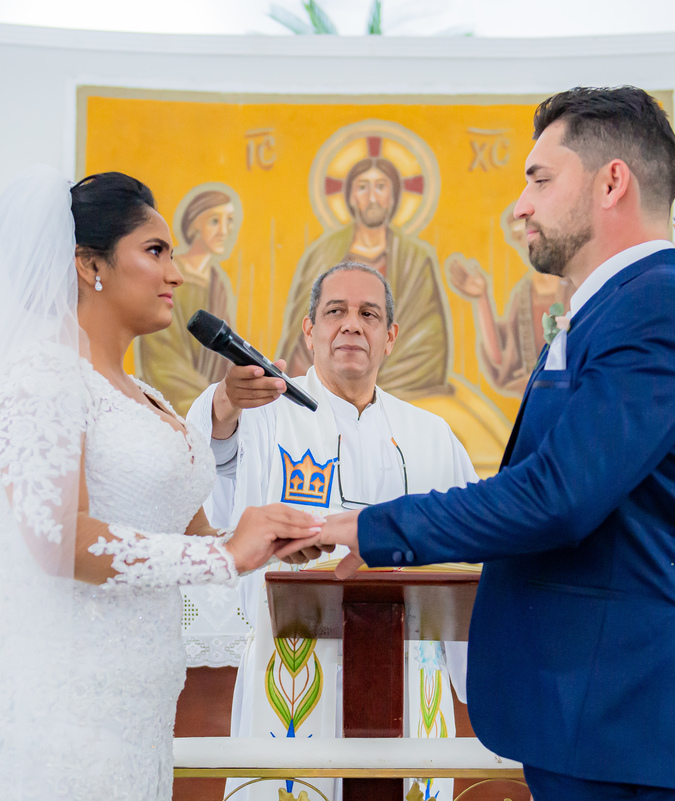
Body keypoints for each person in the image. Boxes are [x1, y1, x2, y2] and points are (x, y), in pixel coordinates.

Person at [313, 87, 675, 800]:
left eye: (540, 179)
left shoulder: (663, 310)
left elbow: (557, 494)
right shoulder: (608, 312)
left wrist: (377, 526)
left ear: (611, 183)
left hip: (627, 714)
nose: (521, 205)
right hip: (589, 710)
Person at [0, 167, 320, 801]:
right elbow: (57, 539)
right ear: (89, 264)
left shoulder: (142, 394)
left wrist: (268, 540)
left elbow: (183, 534)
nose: (176, 273)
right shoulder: (42, 376)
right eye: (155, 251)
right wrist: (225, 555)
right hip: (56, 706)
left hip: (138, 707)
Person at [187, 261, 477, 801]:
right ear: (310, 330)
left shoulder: (431, 435)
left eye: (369, 314)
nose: (351, 325)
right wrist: (226, 403)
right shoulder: (268, 412)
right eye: (335, 311)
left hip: (409, 668)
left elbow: (472, 547)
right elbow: (211, 467)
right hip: (293, 664)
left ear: (390, 336)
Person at [274, 157, 452, 400]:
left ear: (393, 197)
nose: (372, 197)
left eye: (381, 187)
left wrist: (370, 375)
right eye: (362, 187)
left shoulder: (415, 258)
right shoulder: (323, 253)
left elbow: (426, 336)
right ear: (350, 197)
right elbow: (300, 343)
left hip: (402, 381)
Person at [445, 201, 574, 396]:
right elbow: (501, 359)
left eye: (528, 234)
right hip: (539, 397)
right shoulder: (524, 295)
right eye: (518, 237)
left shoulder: (574, 285)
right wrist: (481, 298)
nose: (525, 244)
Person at [136, 185, 241, 415]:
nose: (224, 231)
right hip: (174, 402)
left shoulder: (218, 283)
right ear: (194, 224)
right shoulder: (168, 277)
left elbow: (222, 354)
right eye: (215, 221)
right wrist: (210, 405)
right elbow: (163, 357)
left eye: (230, 221)